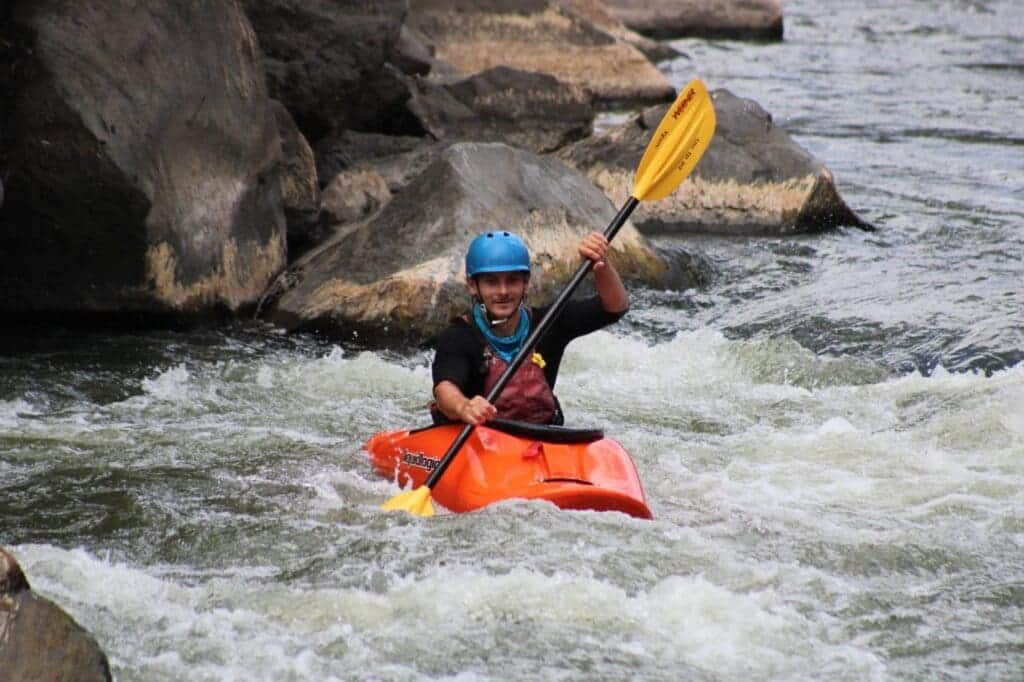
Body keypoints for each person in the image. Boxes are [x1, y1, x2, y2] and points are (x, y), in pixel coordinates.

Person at [431, 229, 629, 426]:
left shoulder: (548, 322)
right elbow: (445, 389)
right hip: (477, 438)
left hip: (539, 438)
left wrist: (602, 265)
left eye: (512, 281)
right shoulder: (458, 335)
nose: (503, 291)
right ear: (473, 286)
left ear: (526, 283)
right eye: (491, 282)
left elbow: (615, 307)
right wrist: (464, 407)